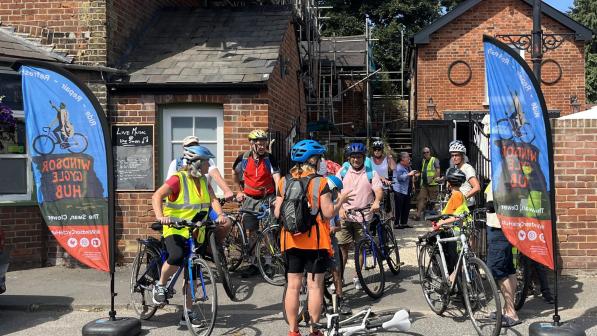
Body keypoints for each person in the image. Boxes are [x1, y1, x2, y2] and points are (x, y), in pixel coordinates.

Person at [274, 140, 351, 336]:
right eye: (319, 158)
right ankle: (314, 331)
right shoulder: (320, 182)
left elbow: (276, 213)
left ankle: (293, 331)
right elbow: (327, 213)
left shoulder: (284, 181)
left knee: (293, 286)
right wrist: (340, 200)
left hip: (290, 240)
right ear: (313, 160)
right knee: (315, 286)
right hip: (315, 242)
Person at [151, 145, 230, 326]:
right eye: (206, 162)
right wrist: (161, 217)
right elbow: (157, 195)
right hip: (175, 228)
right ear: (196, 163)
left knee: (193, 273)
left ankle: (188, 314)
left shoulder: (203, 180)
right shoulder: (177, 179)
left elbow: (212, 199)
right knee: (177, 256)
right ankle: (161, 285)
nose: (209, 165)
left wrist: (220, 216)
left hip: (196, 230)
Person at [233, 129, 281, 277]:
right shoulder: (243, 159)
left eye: (264, 144)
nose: (262, 146)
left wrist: (278, 198)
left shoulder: (269, 159)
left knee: (269, 230)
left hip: (267, 197)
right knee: (252, 231)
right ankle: (254, 263)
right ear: (252, 144)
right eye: (259, 144)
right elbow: (235, 173)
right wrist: (238, 191)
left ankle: (268, 262)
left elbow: (277, 179)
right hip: (250, 198)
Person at [336, 142, 383, 290]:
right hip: (345, 215)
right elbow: (335, 189)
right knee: (342, 248)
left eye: (359, 157)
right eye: (353, 157)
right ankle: (340, 278)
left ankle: (358, 276)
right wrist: (340, 207)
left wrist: (376, 202)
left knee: (359, 248)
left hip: (363, 215)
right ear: (349, 158)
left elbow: (378, 190)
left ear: (363, 157)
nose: (356, 160)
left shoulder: (371, 173)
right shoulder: (343, 171)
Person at [485, 181, 522, 327]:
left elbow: (506, 200)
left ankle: (512, 313)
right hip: (501, 227)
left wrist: (491, 206)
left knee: (497, 268)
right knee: (508, 268)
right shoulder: (504, 174)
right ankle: (508, 309)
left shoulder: (506, 175)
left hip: (499, 228)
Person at [167, 135, 234, 200]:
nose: (193, 147)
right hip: (184, 205)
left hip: (205, 200)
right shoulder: (176, 163)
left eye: (195, 145)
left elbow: (216, 175)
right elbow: (168, 186)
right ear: (184, 148)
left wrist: (226, 190)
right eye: (190, 146)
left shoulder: (206, 160)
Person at [432, 168, 469, 281]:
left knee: (456, 259)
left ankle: (452, 281)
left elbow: (455, 216)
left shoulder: (456, 195)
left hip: (457, 231)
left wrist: (441, 222)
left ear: (449, 182)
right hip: (457, 229)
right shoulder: (457, 194)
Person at [326, 175, 352, 315]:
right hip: (319, 241)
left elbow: (338, 226)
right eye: (336, 190)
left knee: (337, 270)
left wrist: (332, 229)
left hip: (330, 239)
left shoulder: (334, 204)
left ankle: (340, 298)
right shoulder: (319, 202)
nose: (337, 194)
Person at [449, 140, 480, 207]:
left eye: (456, 155)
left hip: (467, 206)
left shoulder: (467, 168)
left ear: (462, 156)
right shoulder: (456, 169)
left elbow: (477, 187)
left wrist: (464, 198)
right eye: (452, 155)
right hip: (458, 205)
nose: (454, 158)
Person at [370, 140, 397, 218]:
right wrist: (381, 178)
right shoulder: (369, 160)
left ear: (382, 150)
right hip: (372, 187)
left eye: (379, 149)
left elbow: (393, 167)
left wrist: (389, 155)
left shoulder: (386, 159)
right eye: (375, 149)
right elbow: (368, 172)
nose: (377, 151)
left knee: (384, 209)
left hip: (383, 186)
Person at [414, 147, 441, 220]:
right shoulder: (423, 161)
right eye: (424, 152)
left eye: (427, 152)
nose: (426, 154)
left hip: (433, 184)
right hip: (424, 185)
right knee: (421, 198)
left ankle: (437, 217)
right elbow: (422, 171)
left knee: (434, 201)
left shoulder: (434, 160)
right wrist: (417, 175)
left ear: (430, 152)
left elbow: (438, 171)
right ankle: (418, 215)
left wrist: (432, 178)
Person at [392, 152, 417, 229]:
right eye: (407, 157)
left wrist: (413, 180)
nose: (409, 158)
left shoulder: (407, 166)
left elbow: (410, 176)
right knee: (398, 208)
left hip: (406, 189)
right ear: (402, 159)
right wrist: (409, 174)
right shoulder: (398, 167)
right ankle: (396, 224)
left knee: (406, 207)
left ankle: (404, 223)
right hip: (399, 190)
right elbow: (399, 178)